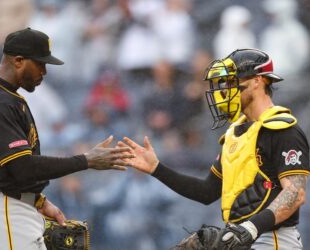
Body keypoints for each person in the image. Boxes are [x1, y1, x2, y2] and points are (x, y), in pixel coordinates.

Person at [0, 27, 134, 250]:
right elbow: (22, 167)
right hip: (3, 210)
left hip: (8, 207)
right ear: (19, 60)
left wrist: (38, 200)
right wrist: (86, 160)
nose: (44, 71)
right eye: (40, 63)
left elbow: (7, 169)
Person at [119, 48, 310, 249]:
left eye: (232, 81)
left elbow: (295, 193)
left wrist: (250, 228)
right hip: (240, 238)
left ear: (257, 81)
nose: (225, 89)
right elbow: (207, 191)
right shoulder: (234, 133)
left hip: (272, 239)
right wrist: (157, 169)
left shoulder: (282, 129)